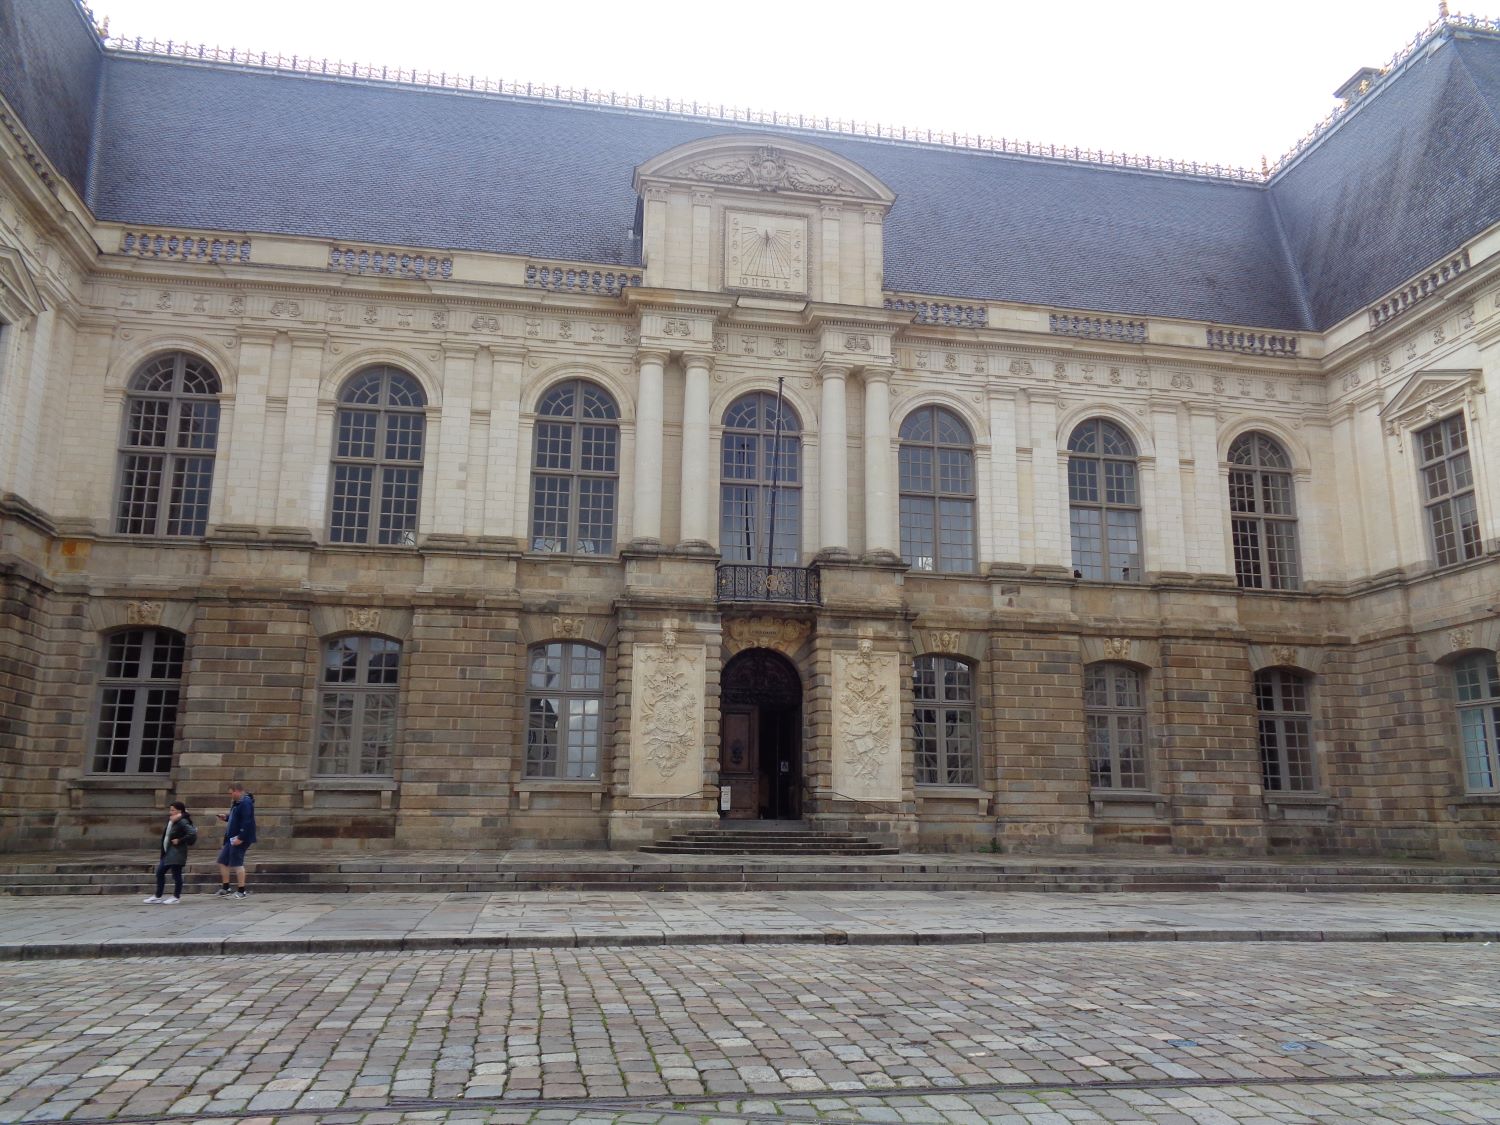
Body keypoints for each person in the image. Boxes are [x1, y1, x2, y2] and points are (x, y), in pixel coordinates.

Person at [144, 801, 196, 904]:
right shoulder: (173, 820)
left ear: (179, 811)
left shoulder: (182, 821)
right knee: (160, 872)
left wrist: (180, 840)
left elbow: (192, 833)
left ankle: (176, 897)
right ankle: (158, 896)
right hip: (168, 852)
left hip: (176, 853)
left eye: (173, 810)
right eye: (170, 810)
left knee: (176, 874)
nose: (170, 812)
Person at [214, 782, 257, 898]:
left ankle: (241, 890)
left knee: (237, 863)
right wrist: (226, 817)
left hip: (239, 838)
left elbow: (247, 821)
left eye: (231, 793)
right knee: (223, 861)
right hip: (231, 838)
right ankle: (226, 887)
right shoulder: (237, 803)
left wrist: (241, 837)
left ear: (237, 791)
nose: (230, 795)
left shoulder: (245, 803)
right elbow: (236, 818)